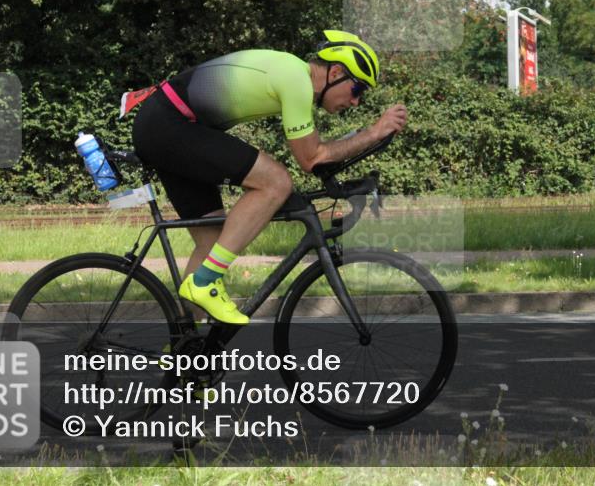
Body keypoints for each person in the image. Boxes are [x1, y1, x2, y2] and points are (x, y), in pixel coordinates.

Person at [129, 30, 406, 325]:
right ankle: (206, 282)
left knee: (211, 242)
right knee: (275, 181)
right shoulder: (296, 80)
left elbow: (317, 153)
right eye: (357, 90)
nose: (356, 103)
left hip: (167, 123)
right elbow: (311, 158)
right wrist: (373, 133)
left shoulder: (294, 75)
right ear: (336, 72)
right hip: (170, 124)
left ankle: (186, 351)